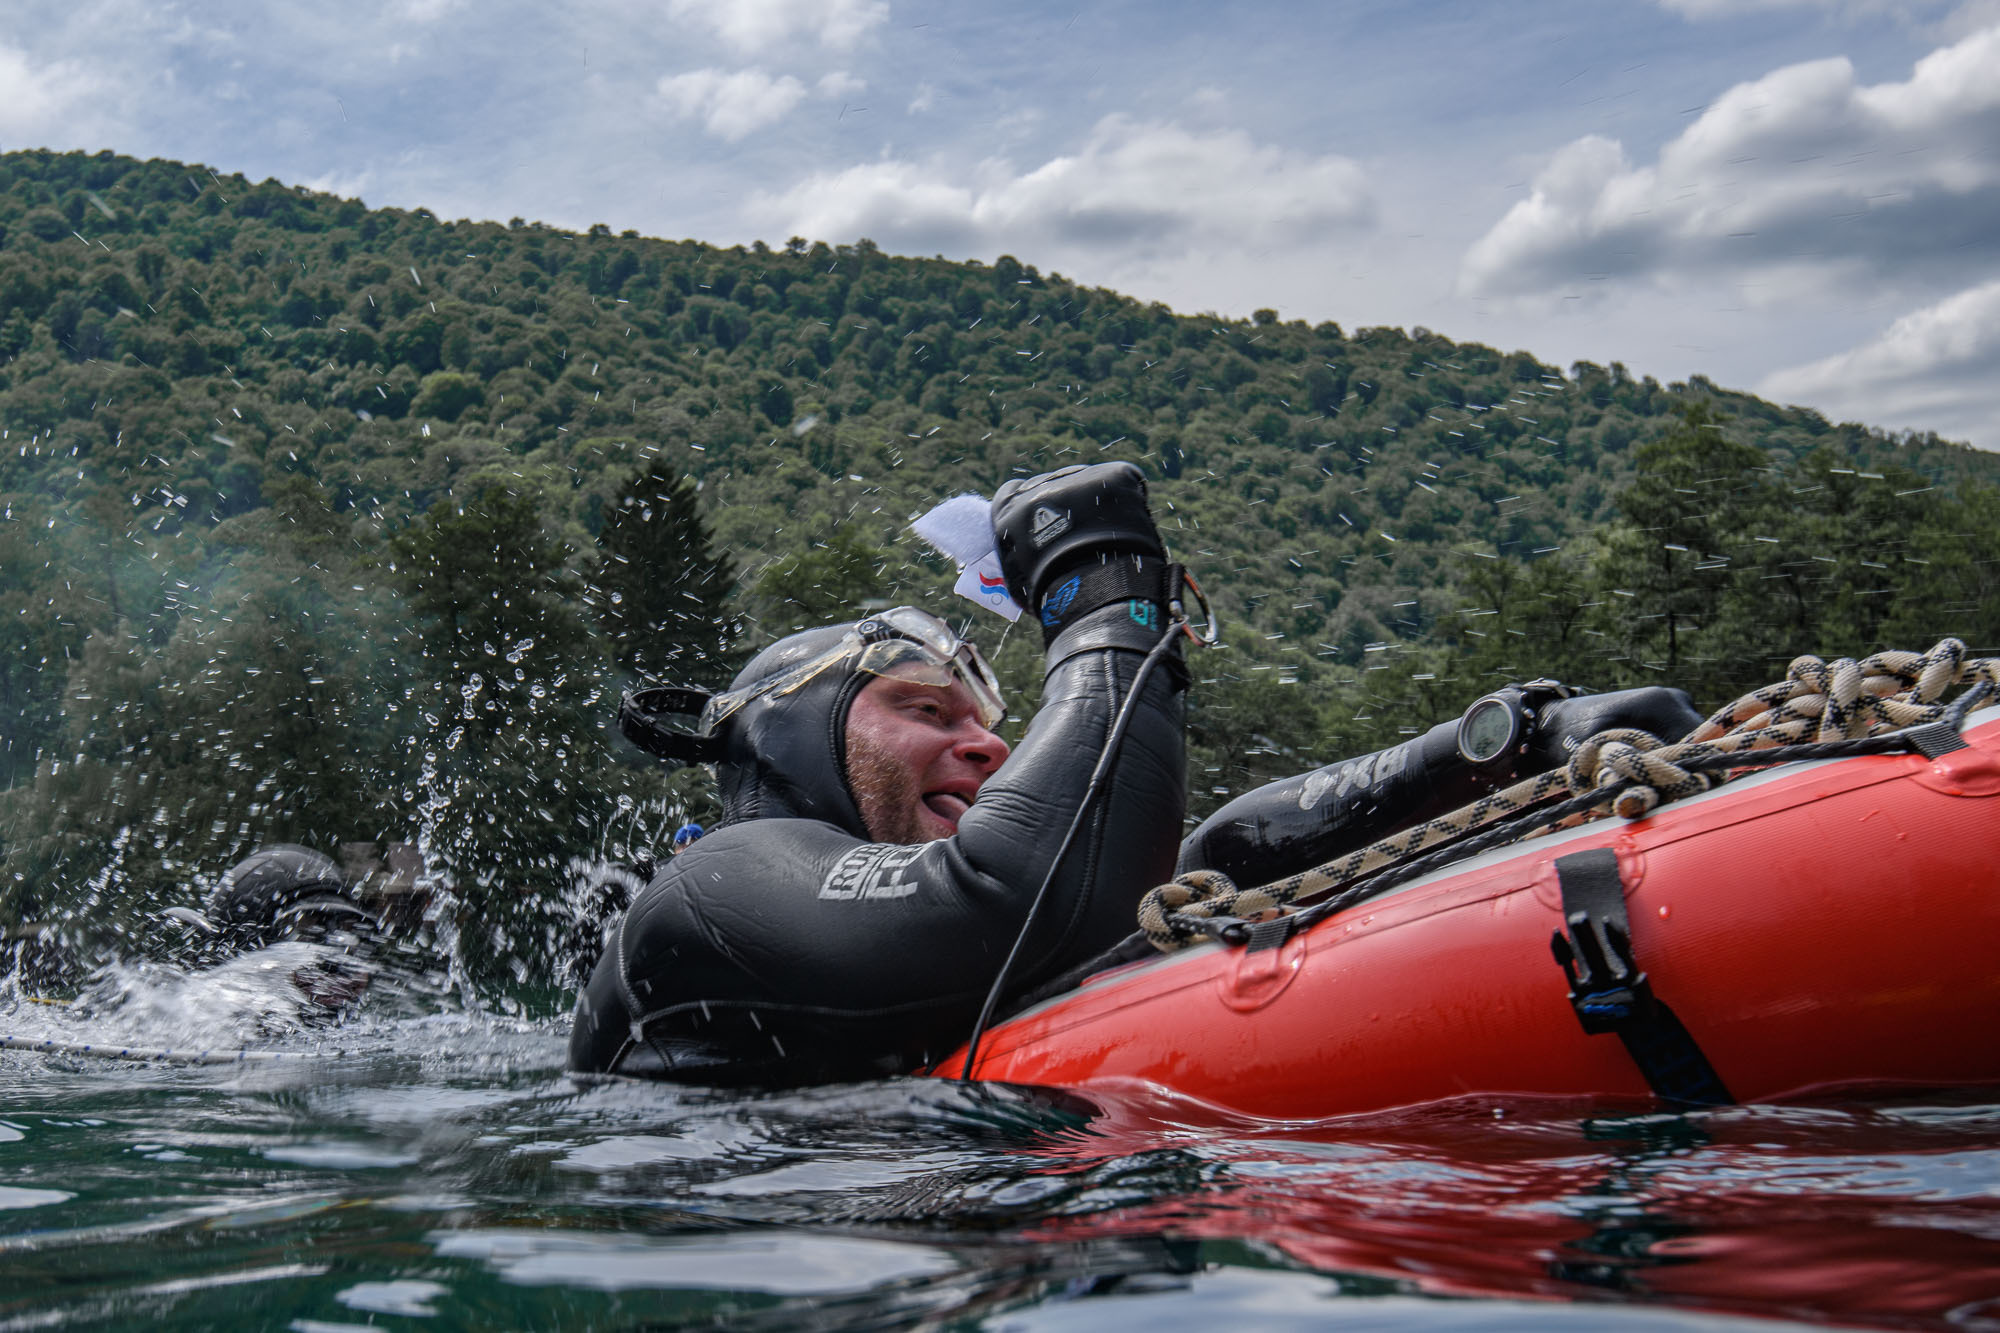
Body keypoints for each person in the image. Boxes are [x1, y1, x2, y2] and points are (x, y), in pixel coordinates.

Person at [569, 461, 1703, 1085]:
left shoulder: (924, 921)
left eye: (988, 720)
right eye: (922, 710)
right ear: (784, 742)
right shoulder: (706, 900)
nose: (987, 746)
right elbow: (1025, 893)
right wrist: (1107, 604)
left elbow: (1205, 858)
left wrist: (1489, 748)